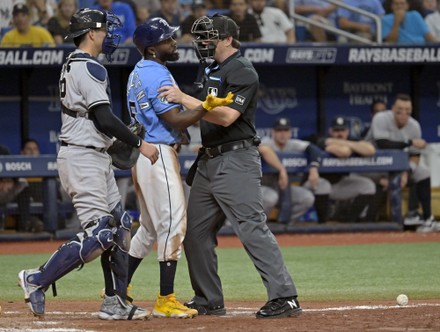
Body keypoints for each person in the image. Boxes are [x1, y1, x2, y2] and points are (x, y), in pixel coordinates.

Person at [17, 8, 160, 320]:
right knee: (101, 234)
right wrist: (140, 143)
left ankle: (115, 302)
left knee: (120, 228)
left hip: (94, 155)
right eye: (105, 30)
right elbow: (104, 118)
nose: (109, 35)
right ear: (92, 33)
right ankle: (36, 279)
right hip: (82, 158)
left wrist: (113, 140)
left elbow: (98, 122)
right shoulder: (89, 67)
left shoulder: (78, 64)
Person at [158, 14, 302, 319]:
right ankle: (208, 298)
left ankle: (285, 296)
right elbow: (201, 112)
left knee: (251, 227)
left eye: (209, 37)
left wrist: (183, 98)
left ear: (227, 39)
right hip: (209, 160)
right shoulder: (209, 68)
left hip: (236, 159)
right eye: (200, 38)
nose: (203, 43)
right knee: (195, 233)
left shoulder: (242, 69)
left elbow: (225, 117)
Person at [124, 17, 233, 318]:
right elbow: (175, 118)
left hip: (144, 154)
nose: (173, 43)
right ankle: (165, 299)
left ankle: (121, 290)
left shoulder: (138, 71)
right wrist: (205, 107)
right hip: (157, 154)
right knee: (174, 224)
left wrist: (181, 130)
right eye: (167, 40)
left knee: (147, 229)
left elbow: (167, 121)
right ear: (151, 48)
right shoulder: (157, 73)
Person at [368, 94, 440, 232]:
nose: (403, 114)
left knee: (423, 172)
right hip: (374, 164)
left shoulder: (414, 126)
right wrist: (410, 142)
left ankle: (427, 219)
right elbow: (383, 144)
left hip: (399, 166)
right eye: (400, 109)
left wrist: (406, 172)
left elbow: (415, 155)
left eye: (407, 110)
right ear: (393, 108)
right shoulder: (381, 118)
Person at [261, 118, 331, 224]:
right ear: (273, 132)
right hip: (263, 187)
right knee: (271, 198)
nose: (282, 134)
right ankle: (258, 227)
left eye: (285, 131)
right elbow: (263, 149)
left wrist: (313, 168)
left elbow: (313, 150)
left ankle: (285, 224)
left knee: (307, 198)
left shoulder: (292, 144)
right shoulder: (267, 142)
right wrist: (282, 170)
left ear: (290, 133)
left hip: (283, 189)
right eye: (279, 131)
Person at [314, 116, 377, 223]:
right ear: (330, 131)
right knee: (324, 186)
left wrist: (345, 143)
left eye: (342, 130)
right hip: (315, 183)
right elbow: (343, 152)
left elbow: (370, 150)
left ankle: (350, 222)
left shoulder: (347, 140)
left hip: (338, 184)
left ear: (348, 131)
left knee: (368, 186)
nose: (340, 134)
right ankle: (322, 223)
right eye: (336, 130)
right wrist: (352, 147)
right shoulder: (321, 139)